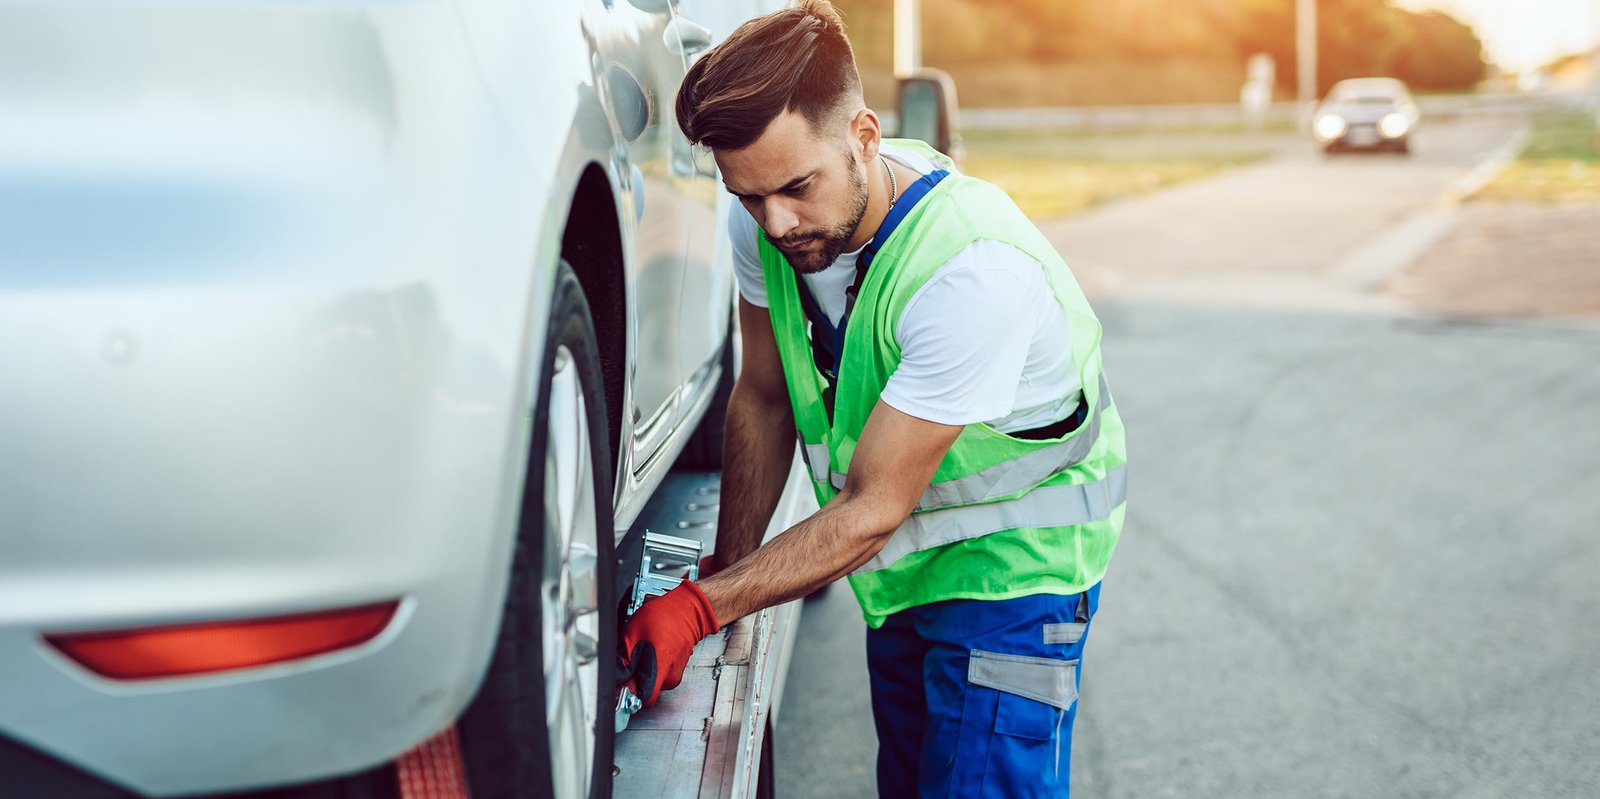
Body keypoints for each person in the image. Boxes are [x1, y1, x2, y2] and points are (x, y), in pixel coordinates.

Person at [619, 2, 1127, 795]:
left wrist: (703, 606)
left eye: (795, 186)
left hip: (1014, 584)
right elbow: (762, 395)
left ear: (863, 135)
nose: (777, 223)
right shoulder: (767, 225)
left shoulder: (969, 272)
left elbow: (872, 506)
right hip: (904, 579)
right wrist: (733, 570)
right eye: (749, 197)